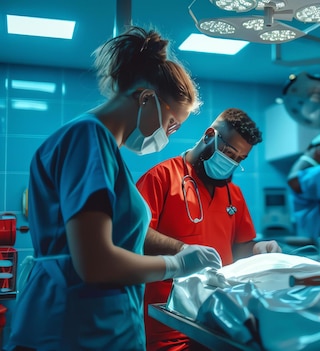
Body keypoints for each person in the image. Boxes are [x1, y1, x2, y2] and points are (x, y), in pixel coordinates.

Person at [6, 26, 223, 351]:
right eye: (172, 123)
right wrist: (176, 264)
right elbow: (96, 263)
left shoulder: (98, 147)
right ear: (147, 98)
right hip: (76, 329)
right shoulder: (87, 138)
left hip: (96, 325)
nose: (169, 135)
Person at [136, 108, 282, 351]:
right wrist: (183, 250)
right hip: (166, 321)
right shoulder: (161, 178)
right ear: (209, 135)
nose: (232, 163)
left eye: (240, 159)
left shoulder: (232, 193)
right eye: (228, 152)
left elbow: (240, 247)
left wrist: (259, 248)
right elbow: (135, 235)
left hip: (217, 320)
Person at [287, 132, 320, 241]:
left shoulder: (310, 168)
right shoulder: (304, 171)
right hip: (313, 233)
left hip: (314, 231)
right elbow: (294, 181)